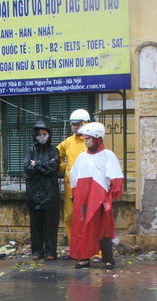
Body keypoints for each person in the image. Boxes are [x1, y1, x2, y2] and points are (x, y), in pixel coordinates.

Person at [69, 122, 124, 270]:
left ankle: (108, 259)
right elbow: (73, 176)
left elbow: (116, 176)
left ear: (98, 139)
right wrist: (75, 194)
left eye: (88, 138)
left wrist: (114, 191)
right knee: (82, 227)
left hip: (101, 198)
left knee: (103, 228)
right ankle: (84, 258)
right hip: (84, 198)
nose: (85, 140)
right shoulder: (82, 157)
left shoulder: (108, 156)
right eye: (84, 138)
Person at [23, 120, 61, 260]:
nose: (42, 136)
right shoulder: (30, 150)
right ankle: (37, 251)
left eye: (44, 134)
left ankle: (51, 251)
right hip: (34, 193)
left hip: (50, 193)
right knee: (36, 224)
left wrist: (37, 164)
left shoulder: (54, 150)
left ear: (49, 134)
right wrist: (45, 166)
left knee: (51, 224)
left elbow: (55, 168)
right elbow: (27, 169)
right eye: (39, 134)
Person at [57, 109, 91, 247]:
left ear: (85, 123)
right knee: (70, 218)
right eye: (72, 124)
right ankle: (75, 249)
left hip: (86, 187)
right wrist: (63, 166)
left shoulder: (90, 141)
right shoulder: (68, 142)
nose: (75, 127)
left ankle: (91, 249)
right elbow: (55, 154)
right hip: (70, 187)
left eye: (78, 124)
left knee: (88, 219)